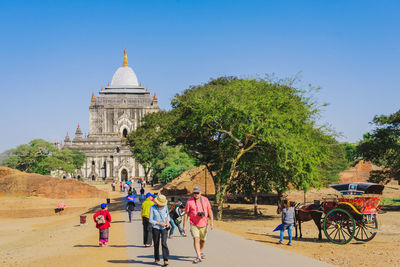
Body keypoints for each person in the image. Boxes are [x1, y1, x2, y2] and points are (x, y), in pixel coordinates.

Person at [183, 186, 214, 264]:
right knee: (196, 238)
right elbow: (186, 214)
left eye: (197, 193)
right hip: (194, 224)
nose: (196, 194)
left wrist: (212, 222)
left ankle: (200, 251)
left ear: (200, 193)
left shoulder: (205, 200)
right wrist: (184, 226)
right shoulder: (189, 201)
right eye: (194, 193)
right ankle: (198, 256)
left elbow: (209, 210)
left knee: (203, 240)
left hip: (204, 223)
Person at [149, 194, 170, 266]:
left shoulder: (165, 207)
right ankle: (157, 258)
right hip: (156, 228)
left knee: (164, 243)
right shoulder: (153, 208)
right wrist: (159, 223)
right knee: (156, 243)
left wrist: (168, 221)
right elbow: (150, 220)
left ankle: (165, 259)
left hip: (164, 228)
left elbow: (167, 215)